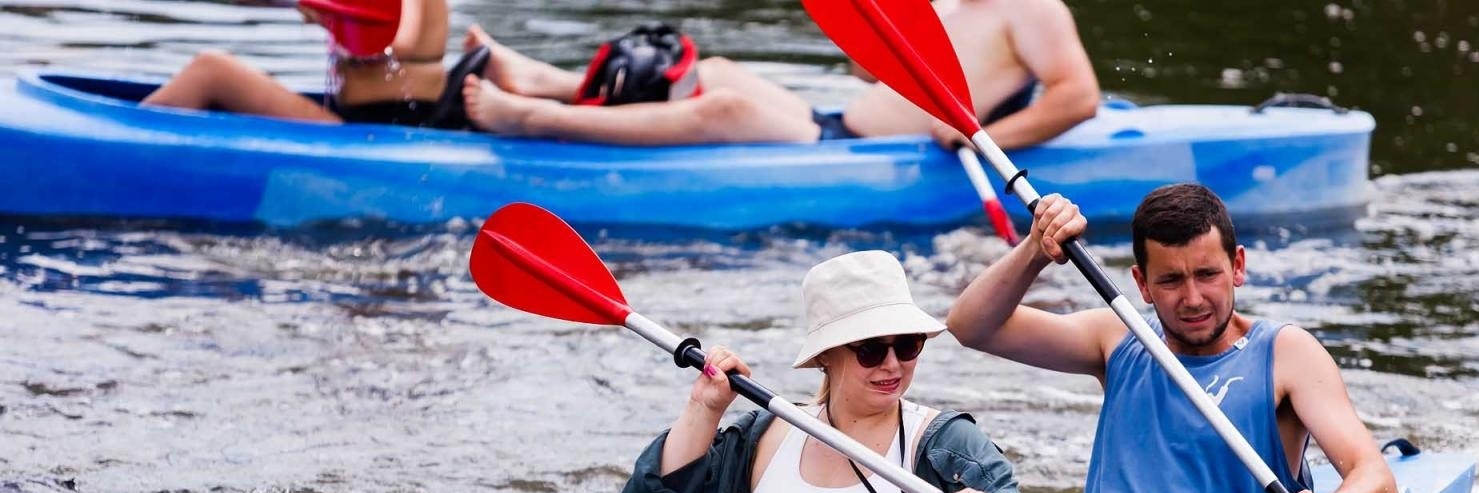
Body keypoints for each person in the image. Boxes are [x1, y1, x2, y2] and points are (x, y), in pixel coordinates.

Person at [946, 182, 1399, 493]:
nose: (1193, 298)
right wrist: (1034, 250)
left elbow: (1376, 481)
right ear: (1141, 284)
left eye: (1207, 274)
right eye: (1171, 280)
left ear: (1237, 266)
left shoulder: (1285, 353)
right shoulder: (1118, 338)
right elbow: (971, 327)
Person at [616, 251, 1051, 493]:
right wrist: (704, 407)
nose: (893, 365)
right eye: (870, 350)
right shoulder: (762, 438)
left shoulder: (947, 444)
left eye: (907, 345)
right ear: (826, 355)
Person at [460, 0, 1099, 147]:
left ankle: (532, 117)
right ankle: (553, 81)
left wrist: (980, 139)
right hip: (832, 125)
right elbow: (864, 71)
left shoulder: (1032, 7)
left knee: (724, 110)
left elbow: (1078, 98)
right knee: (713, 69)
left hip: (868, 154)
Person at [140, 0, 452, 125]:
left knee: (211, 70)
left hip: (387, 127)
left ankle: (131, 137)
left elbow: (400, 40)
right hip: (357, 121)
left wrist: (328, 18)